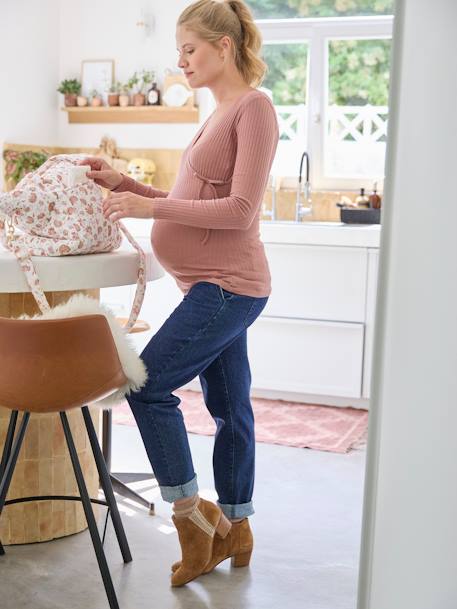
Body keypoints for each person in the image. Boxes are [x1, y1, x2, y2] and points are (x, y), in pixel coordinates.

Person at [80, 0, 279, 587]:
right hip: (210, 286)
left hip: (229, 287)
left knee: (147, 384)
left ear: (224, 46)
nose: (181, 62)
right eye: (178, 53)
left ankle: (192, 519)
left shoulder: (254, 110)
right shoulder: (217, 114)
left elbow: (240, 211)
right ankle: (237, 529)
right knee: (229, 407)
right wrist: (127, 185)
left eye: (190, 50)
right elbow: (190, 196)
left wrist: (151, 206)